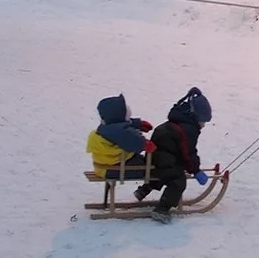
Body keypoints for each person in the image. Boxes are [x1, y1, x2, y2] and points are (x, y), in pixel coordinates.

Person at [135, 87, 213, 224]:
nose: (203, 125)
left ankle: (144, 189)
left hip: (154, 158)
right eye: (203, 121)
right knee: (178, 181)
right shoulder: (189, 129)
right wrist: (196, 170)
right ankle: (162, 210)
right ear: (195, 117)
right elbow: (189, 152)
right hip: (163, 159)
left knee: (169, 170)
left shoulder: (177, 121)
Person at [85, 94, 155, 179]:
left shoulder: (107, 127)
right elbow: (132, 139)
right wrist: (144, 144)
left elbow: (122, 124)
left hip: (103, 167)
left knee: (139, 159)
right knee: (147, 166)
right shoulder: (119, 132)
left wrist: (138, 124)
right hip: (112, 169)